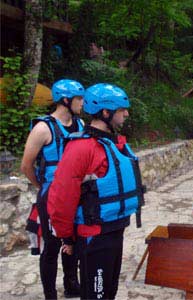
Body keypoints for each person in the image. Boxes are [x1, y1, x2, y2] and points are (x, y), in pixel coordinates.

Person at [47, 83, 144, 300]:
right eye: (122, 110)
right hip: (94, 234)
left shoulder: (113, 144)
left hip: (115, 230)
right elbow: (62, 196)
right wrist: (67, 238)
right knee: (96, 295)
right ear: (106, 112)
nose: (126, 114)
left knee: (108, 292)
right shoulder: (81, 148)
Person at [20, 79, 84, 299]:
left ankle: (71, 284)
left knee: (72, 242)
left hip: (75, 195)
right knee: (52, 246)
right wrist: (41, 187)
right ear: (66, 100)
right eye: (79, 98)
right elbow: (26, 165)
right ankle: (50, 293)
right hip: (52, 196)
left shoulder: (81, 125)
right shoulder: (42, 128)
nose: (82, 102)